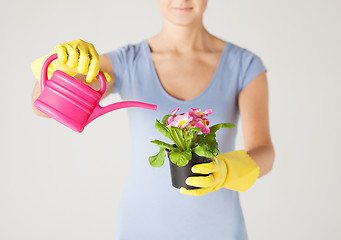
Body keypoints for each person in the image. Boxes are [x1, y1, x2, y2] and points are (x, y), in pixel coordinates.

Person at [31, 0, 275, 239]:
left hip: (219, 228)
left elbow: (264, 152)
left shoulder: (245, 65)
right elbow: (43, 107)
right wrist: (64, 65)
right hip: (141, 227)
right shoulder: (127, 62)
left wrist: (226, 170)